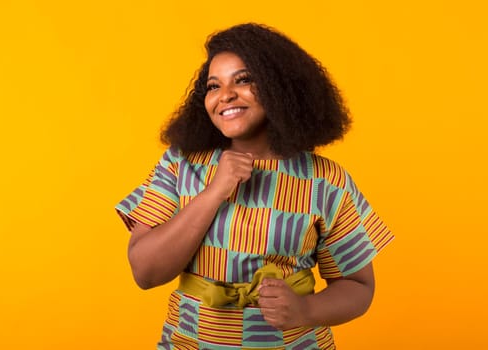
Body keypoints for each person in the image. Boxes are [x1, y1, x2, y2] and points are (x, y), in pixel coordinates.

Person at [116, 23, 393, 349]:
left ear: (280, 86)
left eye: (244, 79)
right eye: (213, 86)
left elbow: (358, 286)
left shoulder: (325, 180)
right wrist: (215, 191)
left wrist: (305, 309)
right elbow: (145, 273)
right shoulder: (181, 163)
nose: (225, 95)